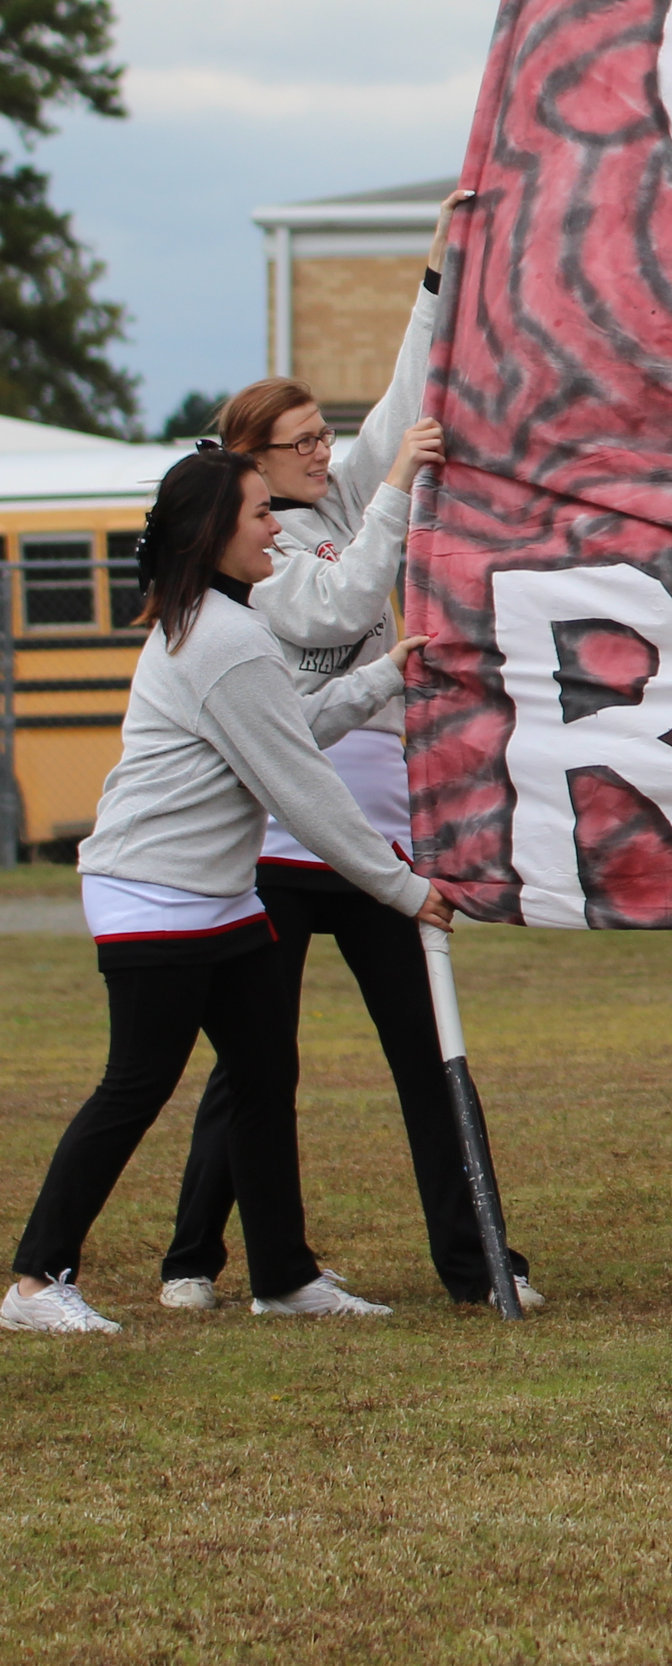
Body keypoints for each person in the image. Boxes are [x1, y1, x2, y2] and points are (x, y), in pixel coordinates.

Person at [161, 194, 536, 1314]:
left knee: (428, 1058)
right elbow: (335, 607)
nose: (326, 453)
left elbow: (406, 397)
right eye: (301, 444)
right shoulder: (252, 554)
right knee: (252, 1069)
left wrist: (437, 274)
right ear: (247, 465)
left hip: (378, 830)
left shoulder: (342, 490)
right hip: (278, 842)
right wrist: (389, 496)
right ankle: (194, 1258)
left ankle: (476, 1262)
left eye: (328, 436)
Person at [8, 449, 452, 1335]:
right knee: (136, 1086)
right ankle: (32, 1283)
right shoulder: (225, 635)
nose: (277, 528)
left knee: (260, 1075)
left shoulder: (218, 623)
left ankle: (283, 1274)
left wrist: (382, 674)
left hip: (220, 898)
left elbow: (286, 728)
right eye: (259, 514)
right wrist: (403, 890)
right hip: (155, 893)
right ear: (214, 533)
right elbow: (302, 787)